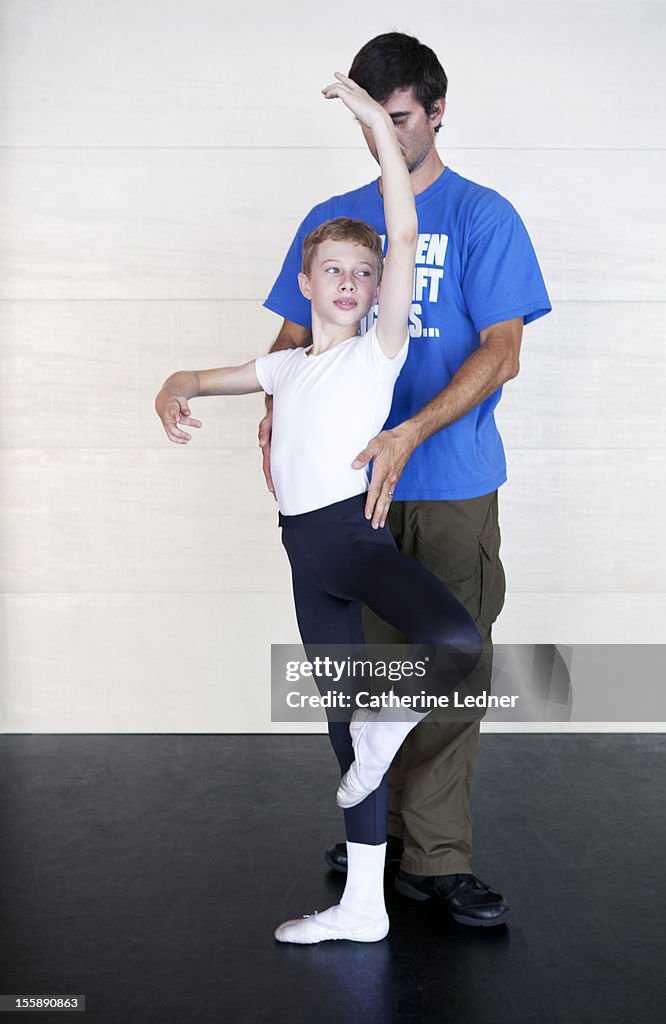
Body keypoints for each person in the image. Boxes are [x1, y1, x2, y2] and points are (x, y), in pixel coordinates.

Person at [154, 74, 483, 944]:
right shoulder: (286, 368)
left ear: (380, 293)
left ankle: (388, 723)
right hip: (304, 556)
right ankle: (363, 908)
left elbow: (402, 220)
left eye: (365, 273)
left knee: (454, 642)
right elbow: (204, 377)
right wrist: (174, 385)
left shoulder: (376, 355)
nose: (350, 280)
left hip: (349, 540)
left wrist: (375, 122)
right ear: (304, 281)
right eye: (333, 269)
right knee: (343, 734)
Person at [260, 33, 552, 929]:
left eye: (394, 120)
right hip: (347, 497)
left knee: (447, 667)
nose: (379, 134)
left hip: (450, 480)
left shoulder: (482, 215)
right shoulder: (334, 218)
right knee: (358, 681)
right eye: (369, 118)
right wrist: (271, 416)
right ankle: (369, 842)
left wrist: (410, 431)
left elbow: (500, 352)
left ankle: (435, 858)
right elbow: (288, 339)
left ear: (434, 113)